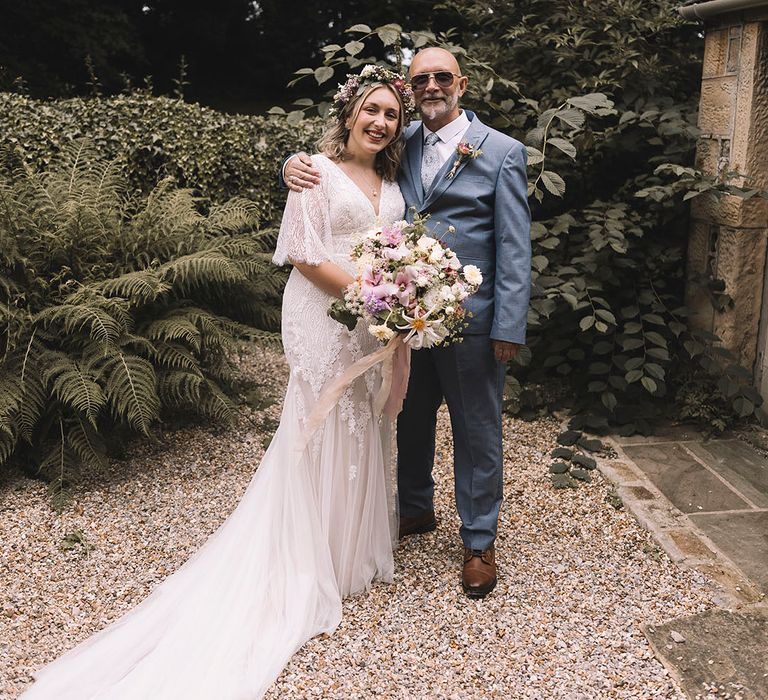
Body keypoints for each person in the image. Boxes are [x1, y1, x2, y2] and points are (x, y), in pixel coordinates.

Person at [20, 66, 411, 700]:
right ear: (347, 114)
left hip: (370, 322)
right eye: (371, 109)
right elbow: (305, 256)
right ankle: (303, 559)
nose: (381, 122)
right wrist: (375, 294)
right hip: (325, 317)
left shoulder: (392, 178)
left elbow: (392, 242)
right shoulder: (312, 170)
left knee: (362, 420)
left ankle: (347, 555)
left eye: (392, 114)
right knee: (318, 424)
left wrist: (397, 298)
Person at [284, 47, 532, 598]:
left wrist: (508, 326)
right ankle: (415, 509)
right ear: (411, 88)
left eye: (442, 77)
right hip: (403, 320)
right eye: (421, 79)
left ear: (461, 84)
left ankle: (478, 540)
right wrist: (290, 164)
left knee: (477, 430)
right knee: (407, 416)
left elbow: (515, 247)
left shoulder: (503, 153)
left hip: (471, 318)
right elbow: (344, 167)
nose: (432, 86)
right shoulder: (402, 143)